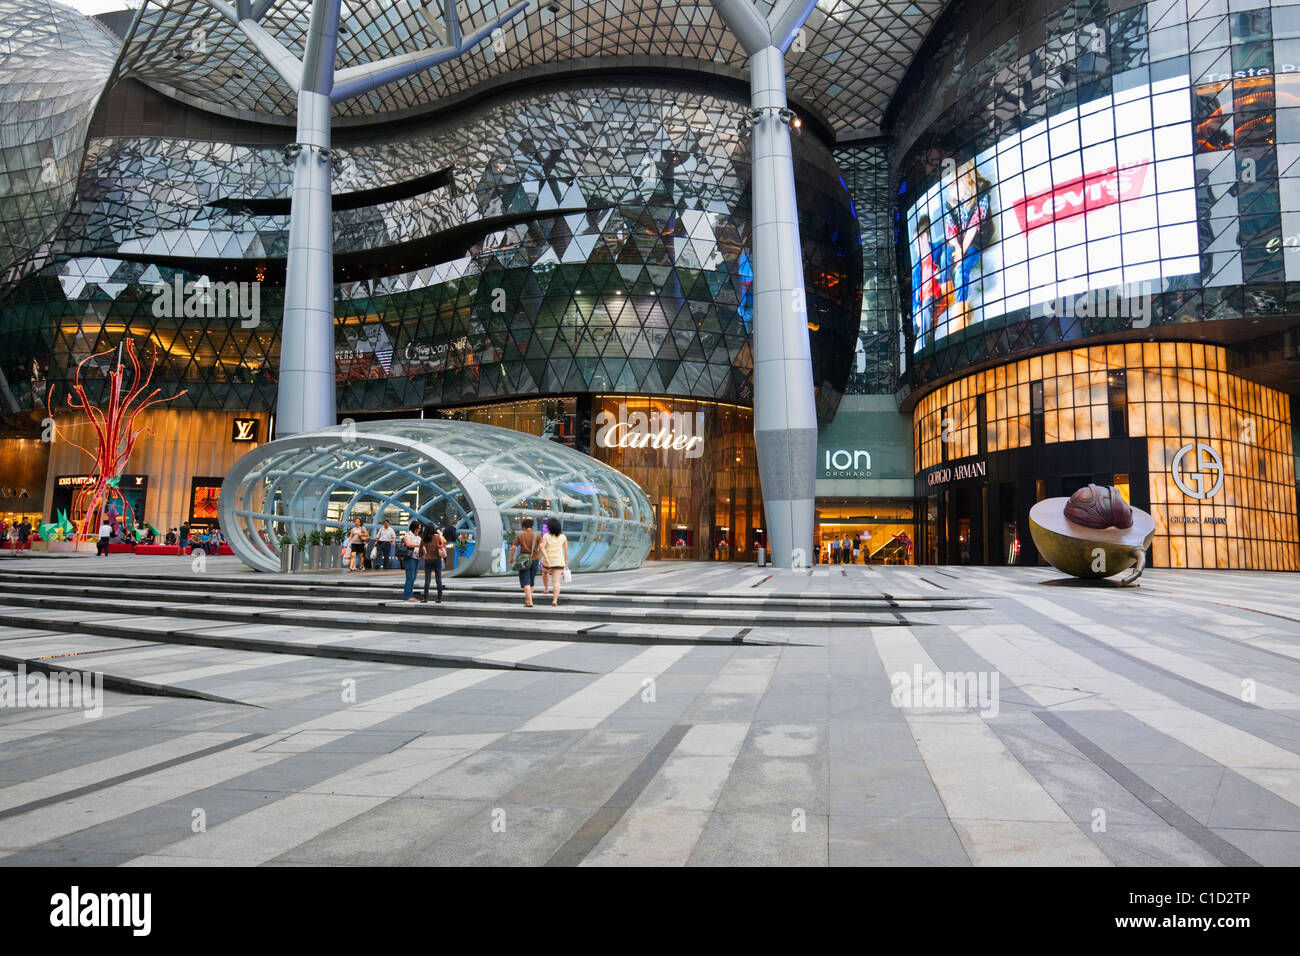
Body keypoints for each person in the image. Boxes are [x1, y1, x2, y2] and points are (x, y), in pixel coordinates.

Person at [512, 517, 542, 608]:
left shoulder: (520, 536)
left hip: (524, 560)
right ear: (532, 526)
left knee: (525, 581)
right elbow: (542, 547)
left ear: (523, 527)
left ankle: (530, 601)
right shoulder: (537, 536)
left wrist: (511, 558)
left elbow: (513, 547)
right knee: (531, 581)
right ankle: (527, 600)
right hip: (535, 560)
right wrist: (538, 555)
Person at [539, 517, 569, 607]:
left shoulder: (546, 536)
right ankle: (555, 600)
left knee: (544, 573)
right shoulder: (563, 536)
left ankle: (546, 589)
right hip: (558, 561)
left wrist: (546, 557)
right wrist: (566, 560)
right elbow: (566, 549)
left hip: (548, 560)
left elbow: (542, 547)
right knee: (556, 581)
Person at [420, 523, 447, 604]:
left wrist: (422, 555)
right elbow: (442, 546)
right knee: (438, 579)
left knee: (427, 580)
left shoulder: (423, 538)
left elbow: (420, 549)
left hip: (428, 560)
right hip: (437, 559)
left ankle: (425, 598)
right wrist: (445, 558)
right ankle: (439, 598)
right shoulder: (437, 536)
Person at [399, 520, 423, 602]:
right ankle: (407, 596)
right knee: (410, 577)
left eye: (420, 528)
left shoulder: (418, 537)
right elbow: (408, 544)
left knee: (413, 577)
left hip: (417, 558)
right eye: (417, 528)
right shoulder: (408, 535)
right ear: (413, 527)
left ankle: (410, 595)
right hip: (409, 558)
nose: (418, 530)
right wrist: (419, 545)